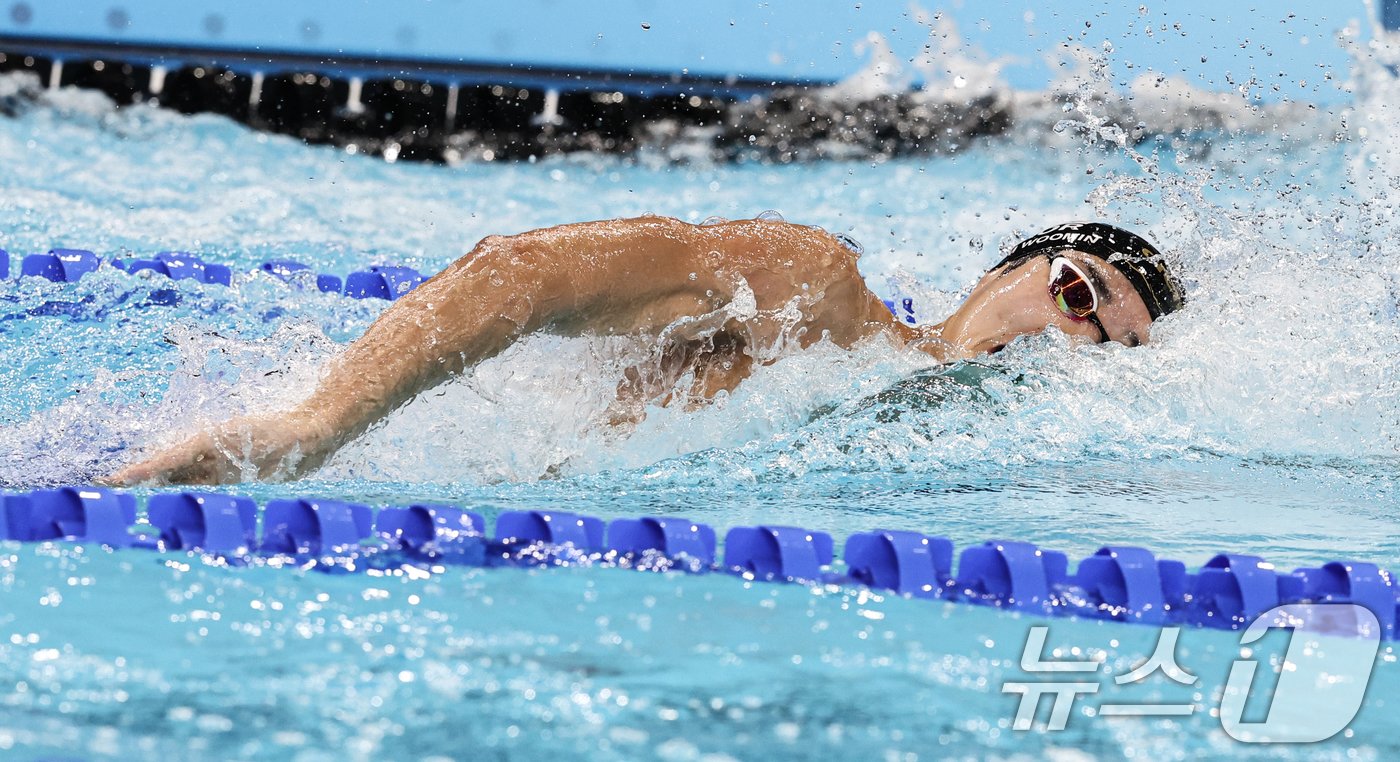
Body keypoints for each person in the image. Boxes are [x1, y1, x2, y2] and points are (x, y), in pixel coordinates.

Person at [106, 216, 1185, 486]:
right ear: (1005, 271)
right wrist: (319, 425)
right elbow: (517, 273)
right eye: (1075, 292)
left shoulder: (991, 484)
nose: (1067, 338)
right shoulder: (810, 292)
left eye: (1107, 348)